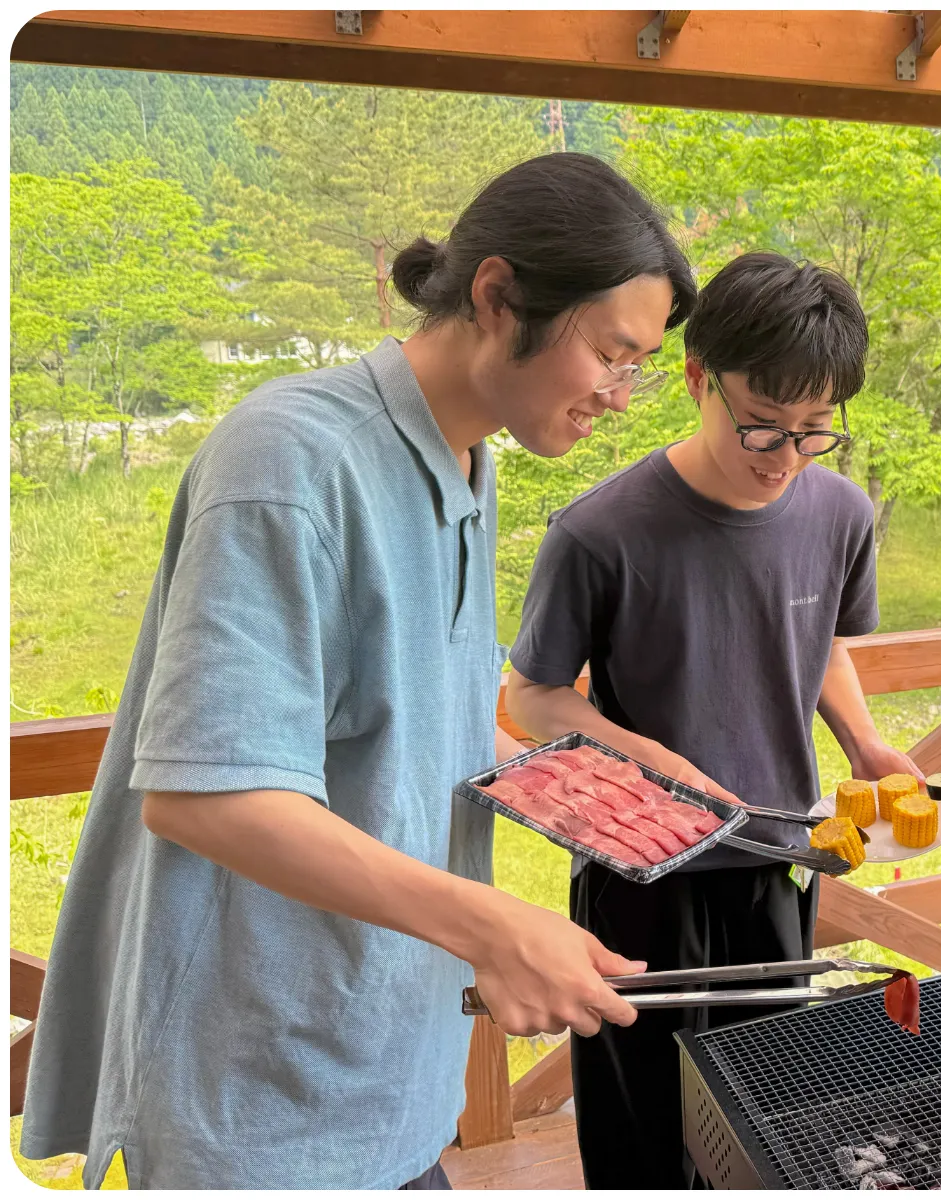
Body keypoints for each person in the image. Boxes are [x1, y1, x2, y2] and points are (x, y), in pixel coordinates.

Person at [19, 152, 700, 1189]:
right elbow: (207, 798)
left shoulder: (473, 461)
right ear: (496, 296)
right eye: (612, 353)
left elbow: (424, 707)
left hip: (386, 1067)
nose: (622, 394)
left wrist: (617, 769)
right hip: (258, 1098)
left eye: (639, 363)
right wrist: (496, 923)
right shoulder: (292, 460)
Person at [504, 251, 920, 1188]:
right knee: (644, 1126)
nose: (786, 459)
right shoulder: (600, 532)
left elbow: (822, 649)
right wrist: (651, 759)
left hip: (779, 859)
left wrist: (865, 740)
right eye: (763, 427)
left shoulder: (842, 515)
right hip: (641, 872)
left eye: (815, 432)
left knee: (769, 1117)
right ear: (699, 377)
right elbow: (532, 697)